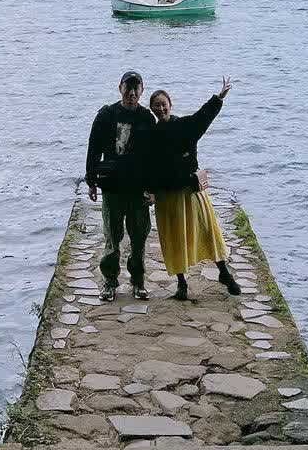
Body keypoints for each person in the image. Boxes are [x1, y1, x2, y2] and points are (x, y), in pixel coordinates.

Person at [147, 77, 241, 300]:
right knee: (174, 240)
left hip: (190, 192)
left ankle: (225, 273)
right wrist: (149, 190)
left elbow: (204, 116)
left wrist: (218, 98)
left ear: (170, 105)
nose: (161, 108)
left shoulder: (185, 126)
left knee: (208, 232)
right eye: (156, 105)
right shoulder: (150, 134)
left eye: (164, 104)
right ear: (151, 109)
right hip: (166, 196)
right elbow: (147, 165)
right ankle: (181, 284)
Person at [85, 70, 156, 301]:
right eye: (128, 87)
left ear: (142, 91)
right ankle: (110, 281)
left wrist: (152, 188)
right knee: (111, 237)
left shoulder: (146, 118)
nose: (132, 93)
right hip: (112, 188)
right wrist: (91, 181)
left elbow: (154, 156)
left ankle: (138, 281)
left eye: (136, 88)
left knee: (139, 237)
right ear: (120, 88)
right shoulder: (106, 115)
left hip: (137, 189)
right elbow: (93, 149)